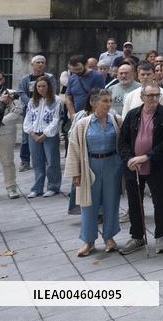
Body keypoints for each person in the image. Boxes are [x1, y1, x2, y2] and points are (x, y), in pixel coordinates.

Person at [64, 89, 123, 257]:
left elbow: (124, 142)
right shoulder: (83, 124)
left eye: (110, 100)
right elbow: (74, 148)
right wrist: (76, 174)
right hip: (90, 165)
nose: (108, 104)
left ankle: (109, 237)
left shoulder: (116, 120)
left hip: (112, 165)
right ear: (93, 103)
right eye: (104, 101)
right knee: (88, 204)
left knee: (112, 202)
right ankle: (88, 240)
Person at [119, 83, 163, 255]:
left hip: (155, 165)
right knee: (135, 202)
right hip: (133, 167)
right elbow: (122, 141)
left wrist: (147, 156)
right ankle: (137, 236)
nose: (154, 99)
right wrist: (129, 159)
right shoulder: (132, 115)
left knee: (160, 201)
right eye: (150, 96)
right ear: (142, 97)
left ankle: (161, 236)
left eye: (157, 95)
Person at [23, 75, 62, 198]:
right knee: (37, 162)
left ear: (48, 87)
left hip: (49, 135)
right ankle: (37, 188)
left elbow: (56, 119)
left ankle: (53, 186)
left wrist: (45, 133)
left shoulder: (56, 100)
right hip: (34, 134)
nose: (41, 88)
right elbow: (28, 118)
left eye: (43, 86)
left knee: (52, 161)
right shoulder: (32, 101)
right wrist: (32, 133)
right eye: (38, 86)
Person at [0, 85, 23, 198]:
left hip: (6, 132)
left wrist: (1, 121)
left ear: (3, 80)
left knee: (7, 161)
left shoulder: (12, 93)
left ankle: (11, 188)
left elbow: (17, 111)